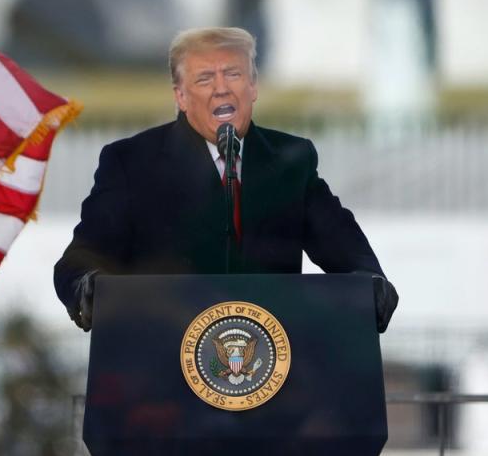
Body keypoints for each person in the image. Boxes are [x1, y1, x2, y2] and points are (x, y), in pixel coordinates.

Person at [54, 27, 398, 332]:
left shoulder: (291, 161)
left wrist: (372, 282)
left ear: (253, 87)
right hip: (163, 364)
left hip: (272, 369)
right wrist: (88, 287)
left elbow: (341, 242)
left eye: (232, 74)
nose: (221, 89)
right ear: (181, 96)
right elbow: (80, 260)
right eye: (204, 79)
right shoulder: (132, 162)